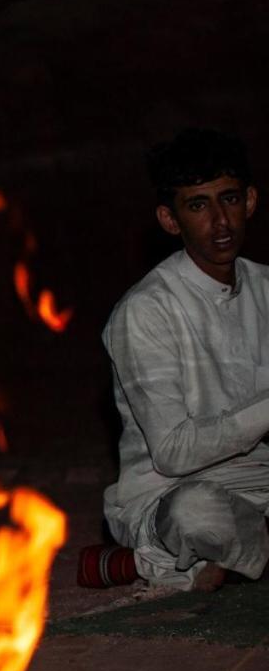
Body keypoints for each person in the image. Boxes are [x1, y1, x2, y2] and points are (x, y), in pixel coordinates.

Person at [103, 128, 268, 591]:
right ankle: (201, 559)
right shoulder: (145, 310)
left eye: (229, 199)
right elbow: (174, 452)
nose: (220, 221)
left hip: (261, 481)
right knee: (199, 515)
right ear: (169, 219)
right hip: (175, 492)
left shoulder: (267, 290)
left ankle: (224, 564)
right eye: (198, 205)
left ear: (250, 201)